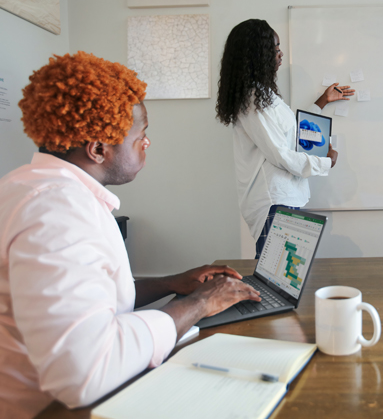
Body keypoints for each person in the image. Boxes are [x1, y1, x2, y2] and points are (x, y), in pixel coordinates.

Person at [0, 52, 260, 418]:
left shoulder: (29, 187)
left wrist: (172, 283)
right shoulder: (57, 213)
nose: (147, 143)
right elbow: (85, 372)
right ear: (98, 149)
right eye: (142, 133)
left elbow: (89, 298)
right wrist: (199, 304)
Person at [216, 19, 354, 258]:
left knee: (285, 281)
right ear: (258, 54)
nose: (280, 54)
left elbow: (291, 133)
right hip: (275, 202)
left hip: (284, 198)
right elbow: (280, 154)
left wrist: (322, 101)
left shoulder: (262, 95)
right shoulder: (253, 100)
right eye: (275, 49)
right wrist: (326, 162)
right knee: (278, 283)